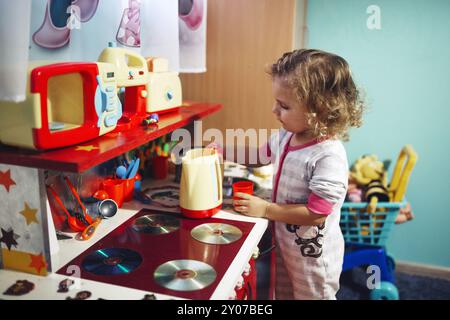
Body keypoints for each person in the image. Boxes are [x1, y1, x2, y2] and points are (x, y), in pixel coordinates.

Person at [231, 49, 365, 300]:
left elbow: (316, 214)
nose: (274, 110)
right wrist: (220, 150)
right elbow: (259, 155)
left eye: (283, 106)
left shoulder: (328, 156)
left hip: (314, 260)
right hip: (286, 248)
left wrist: (266, 209)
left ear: (320, 110)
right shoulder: (286, 135)